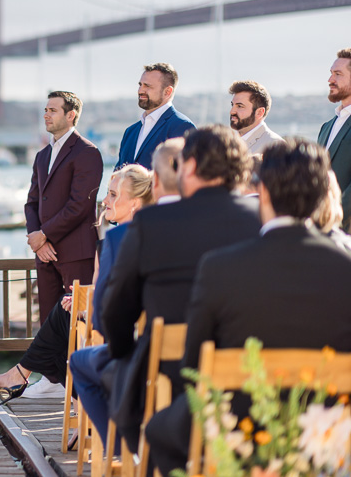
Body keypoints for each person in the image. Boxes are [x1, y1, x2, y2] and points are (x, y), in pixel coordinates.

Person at [145, 139, 351, 475]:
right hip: (326, 436)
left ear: (264, 193)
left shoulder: (219, 267)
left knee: (159, 429)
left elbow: (194, 364)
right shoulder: (346, 268)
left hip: (237, 429)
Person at [92, 125, 261, 452]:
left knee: (107, 375)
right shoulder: (261, 219)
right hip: (247, 375)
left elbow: (115, 310)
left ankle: (132, 457)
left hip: (170, 375)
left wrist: (126, 354)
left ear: (192, 167)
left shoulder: (151, 223)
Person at [0, 165, 153, 403]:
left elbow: (123, 298)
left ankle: (47, 386)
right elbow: (106, 291)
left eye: (113, 194)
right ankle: (28, 378)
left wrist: (84, 304)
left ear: (134, 202)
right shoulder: (136, 240)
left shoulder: (115, 242)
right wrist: (84, 300)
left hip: (121, 336)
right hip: (126, 330)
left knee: (63, 318)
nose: (104, 201)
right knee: (64, 311)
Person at [68, 141, 181, 452]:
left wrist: (122, 349)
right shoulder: (210, 231)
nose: (106, 201)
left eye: (114, 195)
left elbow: (105, 315)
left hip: (143, 357)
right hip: (196, 357)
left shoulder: (119, 238)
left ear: (155, 183)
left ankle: (121, 451)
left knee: (79, 362)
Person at [24, 91, 103, 325]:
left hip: (76, 254)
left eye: (53, 110)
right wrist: (37, 240)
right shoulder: (42, 156)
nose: (46, 115)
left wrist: (44, 234)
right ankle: (51, 364)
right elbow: (32, 203)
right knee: (49, 323)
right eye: (46, 110)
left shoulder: (88, 152)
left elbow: (80, 205)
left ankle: (76, 364)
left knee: (79, 322)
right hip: (44, 255)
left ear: (71, 115)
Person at [115, 63, 195, 169]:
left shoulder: (183, 127)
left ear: (167, 91)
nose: (140, 90)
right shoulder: (130, 132)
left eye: (147, 86)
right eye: (140, 85)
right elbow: (117, 174)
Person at [318, 47, 351, 227]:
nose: (330, 80)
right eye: (331, 73)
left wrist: (332, 221)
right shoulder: (326, 127)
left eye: (338, 74)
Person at [228, 80, 284, 154]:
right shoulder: (228, 143)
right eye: (232, 105)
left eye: (240, 106)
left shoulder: (275, 147)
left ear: (259, 113)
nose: (232, 111)